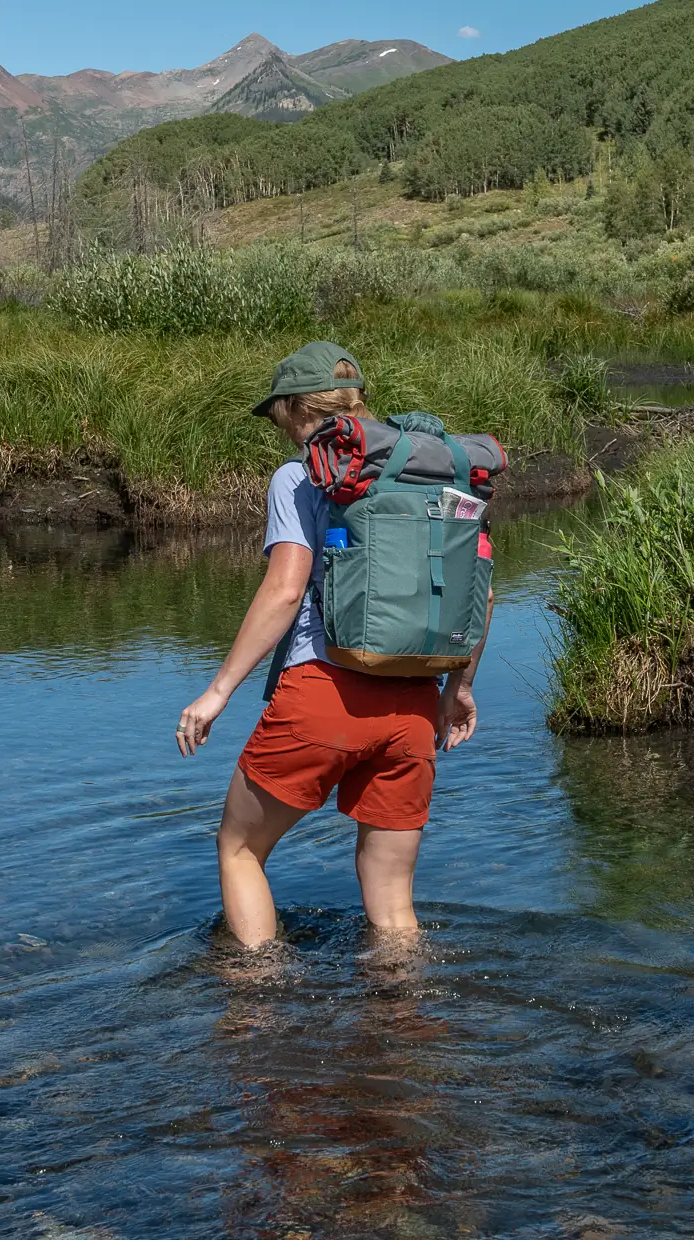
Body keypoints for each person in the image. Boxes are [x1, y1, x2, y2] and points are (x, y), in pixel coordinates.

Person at [173, 341, 489, 947]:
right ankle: (405, 1028)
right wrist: (461, 688)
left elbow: (287, 590)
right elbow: (481, 590)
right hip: (415, 707)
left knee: (239, 847)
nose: (279, 430)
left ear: (295, 407)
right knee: (394, 903)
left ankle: (257, 1008)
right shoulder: (437, 471)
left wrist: (217, 692)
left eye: (277, 416)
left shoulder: (301, 475)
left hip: (325, 694)